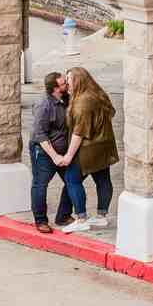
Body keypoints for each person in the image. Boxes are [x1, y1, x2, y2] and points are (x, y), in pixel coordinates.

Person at [54, 67, 118, 229]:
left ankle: (81, 219)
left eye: (69, 79)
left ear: (78, 80)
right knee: (103, 180)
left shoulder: (83, 102)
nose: (67, 83)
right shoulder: (98, 95)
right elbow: (112, 113)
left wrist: (68, 156)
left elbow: (79, 132)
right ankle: (102, 215)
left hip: (88, 149)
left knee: (71, 179)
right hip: (103, 145)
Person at [29, 72, 84, 233]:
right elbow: (40, 135)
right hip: (44, 152)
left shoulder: (67, 100)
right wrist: (55, 156)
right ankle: (40, 221)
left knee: (72, 180)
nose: (67, 85)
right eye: (63, 84)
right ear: (55, 89)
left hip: (64, 153)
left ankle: (63, 215)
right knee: (40, 184)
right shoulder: (44, 106)